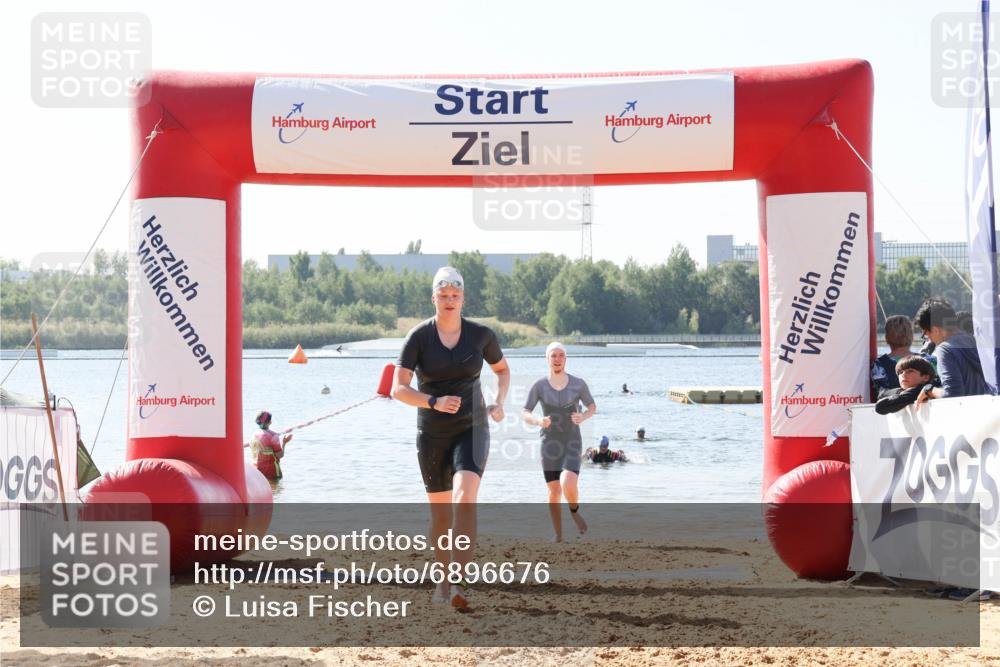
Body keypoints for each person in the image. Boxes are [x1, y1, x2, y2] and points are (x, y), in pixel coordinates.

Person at [391, 266, 510, 610]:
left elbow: (502, 370)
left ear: (463, 299)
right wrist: (433, 401)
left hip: (472, 428)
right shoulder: (418, 337)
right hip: (431, 435)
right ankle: (442, 582)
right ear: (434, 298)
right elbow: (399, 389)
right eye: (443, 296)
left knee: (465, 497)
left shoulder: (481, 335)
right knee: (441, 517)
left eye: (455, 296)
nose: (449, 301)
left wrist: (500, 401)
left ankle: (458, 582)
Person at [522, 341, 596, 542]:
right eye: (553, 356)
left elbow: (592, 406)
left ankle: (574, 510)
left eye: (560, 355)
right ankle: (558, 534)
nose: (557, 359)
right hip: (549, 443)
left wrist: (583, 417)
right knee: (554, 490)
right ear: (547, 359)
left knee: (568, 481)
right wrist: (538, 420)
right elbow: (525, 412)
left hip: (572, 440)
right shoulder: (539, 385)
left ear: (565, 358)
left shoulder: (578, 384)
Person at [914, 298, 994, 402]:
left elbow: (952, 394)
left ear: (935, 330)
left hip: (969, 413)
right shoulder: (978, 341)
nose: (927, 338)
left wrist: (929, 390)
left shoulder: (944, 350)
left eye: (925, 333)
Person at [872, 314, 934, 398]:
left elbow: (880, 392)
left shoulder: (878, 364)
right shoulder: (929, 359)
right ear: (911, 337)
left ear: (886, 338)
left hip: (892, 407)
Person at [250, 411, 292, 481]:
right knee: (275, 490)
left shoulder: (253, 435)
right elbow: (280, 455)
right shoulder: (273, 436)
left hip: (256, 472)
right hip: (271, 472)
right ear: (269, 422)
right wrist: (284, 443)